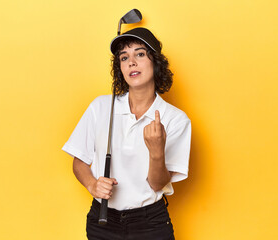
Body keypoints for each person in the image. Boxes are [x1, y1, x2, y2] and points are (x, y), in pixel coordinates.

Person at [62, 27, 191, 240]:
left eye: (139, 54)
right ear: (120, 67)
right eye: (124, 57)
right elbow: (79, 162)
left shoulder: (176, 119)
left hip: (150, 224)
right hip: (102, 220)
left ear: (155, 62)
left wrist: (157, 151)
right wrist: (92, 184)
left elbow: (158, 184)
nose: (131, 62)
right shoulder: (100, 107)